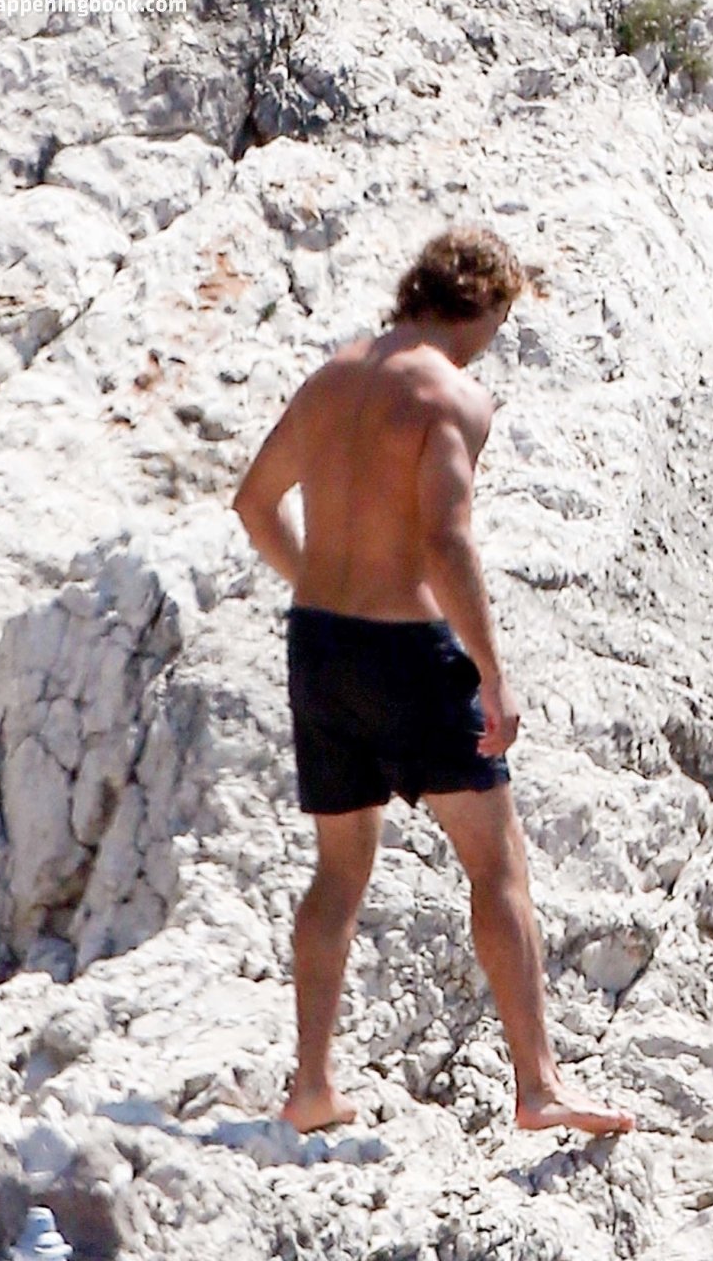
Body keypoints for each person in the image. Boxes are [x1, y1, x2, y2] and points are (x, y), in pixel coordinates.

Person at [233, 226, 634, 1135]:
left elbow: (253, 502)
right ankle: (539, 1087)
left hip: (319, 645)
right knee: (496, 862)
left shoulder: (333, 377)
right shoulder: (451, 396)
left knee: (339, 870)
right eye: (500, 318)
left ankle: (310, 1087)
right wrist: (492, 674)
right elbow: (445, 542)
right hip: (408, 655)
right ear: (481, 305)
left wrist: (317, 585)